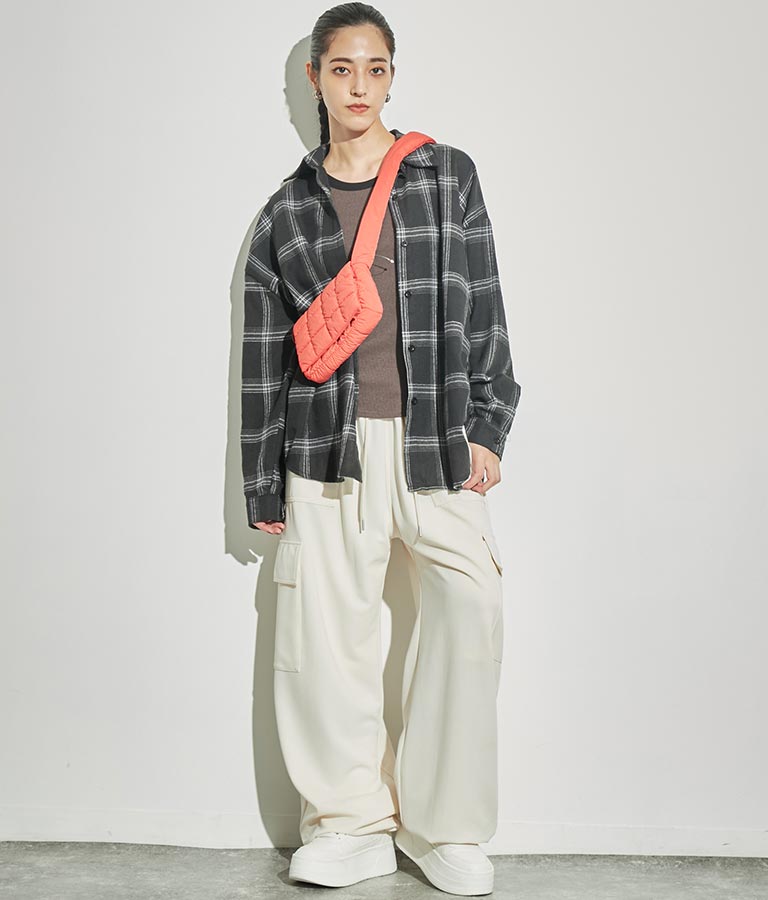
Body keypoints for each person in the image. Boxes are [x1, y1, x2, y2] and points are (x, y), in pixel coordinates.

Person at [240, 3, 522, 895]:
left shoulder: (446, 175)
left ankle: (445, 829)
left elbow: (483, 300)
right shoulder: (287, 211)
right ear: (315, 80)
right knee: (328, 642)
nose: (359, 86)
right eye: (341, 69)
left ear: (392, 76)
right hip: (325, 449)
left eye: (375, 68)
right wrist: (262, 483)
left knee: (470, 614)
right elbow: (263, 354)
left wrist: (488, 424)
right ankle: (349, 823)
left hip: (437, 440)